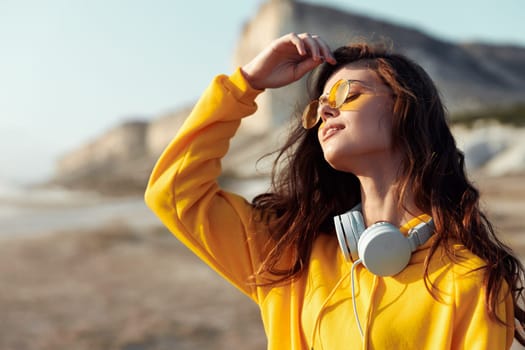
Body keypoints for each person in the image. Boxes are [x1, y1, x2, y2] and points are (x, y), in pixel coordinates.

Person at [144, 32, 525, 349]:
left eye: (348, 94)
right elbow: (173, 191)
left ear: (402, 108)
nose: (326, 111)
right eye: (320, 106)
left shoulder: (471, 280)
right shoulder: (290, 255)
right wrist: (247, 83)